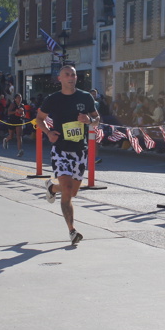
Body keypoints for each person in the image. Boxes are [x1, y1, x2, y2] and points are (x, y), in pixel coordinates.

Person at [36, 64, 100, 246]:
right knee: (67, 188)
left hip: (80, 150)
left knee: (72, 192)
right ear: (60, 78)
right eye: (67, 74)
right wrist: (48, 132)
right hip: (60, 149)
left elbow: (97, 119)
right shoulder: (52, 99)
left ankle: (52, 188)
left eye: (73, 75)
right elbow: (39, 118)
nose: (71, 77)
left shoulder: (85, 97)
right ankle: (72, 231)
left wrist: (89, 120)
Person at [3, 93, 26, 157]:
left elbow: (24, 114)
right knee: (11, 136)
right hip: (12, 120)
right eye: (18, 98)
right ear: (15, 99)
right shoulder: (13, 104)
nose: (20, 99)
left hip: (19, 121)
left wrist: (23, 115)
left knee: (19, 136)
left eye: (20, 98)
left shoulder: (22, 105)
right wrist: (16, 111)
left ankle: (20, 150)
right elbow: (8, 112)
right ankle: (6, 140)